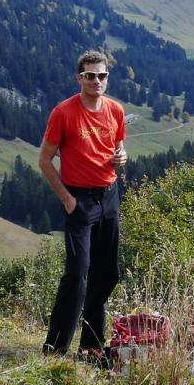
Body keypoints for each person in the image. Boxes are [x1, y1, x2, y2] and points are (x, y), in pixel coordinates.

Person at [38, 50, 127, 356]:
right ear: (79, 78)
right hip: (80, 199)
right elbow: (45, 160)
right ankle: (56, 348)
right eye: (90, 75)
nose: (96, 81)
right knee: (77, 274)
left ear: (107, 78)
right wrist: (66, 199)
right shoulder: (63, 113)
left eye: (102, 75)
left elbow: (118, 146)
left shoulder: (115, 110)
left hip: (110, 195)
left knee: (107, 273)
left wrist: (122, 156)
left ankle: (91, 345)